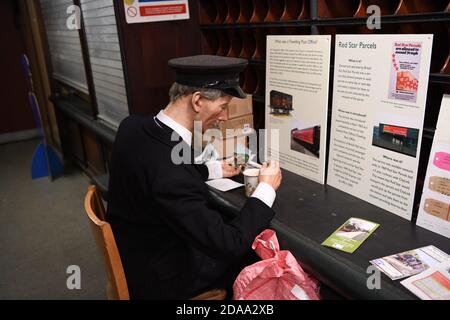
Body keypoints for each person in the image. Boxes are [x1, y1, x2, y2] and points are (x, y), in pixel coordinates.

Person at [106, 55, 282, 300]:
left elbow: (158, 165)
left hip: (138, 252)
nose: (223, 117)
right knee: (256, 256)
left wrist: (215, 169)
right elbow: (229, 244)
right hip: (162, 280)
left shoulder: (132, 127)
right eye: (223, 106)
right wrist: (266, 189)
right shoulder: (171, 175)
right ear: (197, 101)